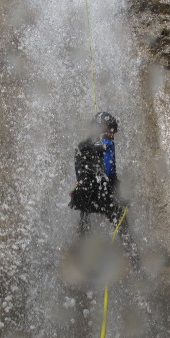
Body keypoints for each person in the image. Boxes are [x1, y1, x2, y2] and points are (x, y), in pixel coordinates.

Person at [69, 111, 138, 266]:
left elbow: (81, 174)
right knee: (122, 224)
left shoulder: (82, 145)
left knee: (84, 226)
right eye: (112, 129)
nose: (113, 134)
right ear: (103, 128)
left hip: (83, 196)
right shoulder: (106, 143)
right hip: (102, 194)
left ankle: (79, 262)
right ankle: (135, 263)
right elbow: (108, 172)